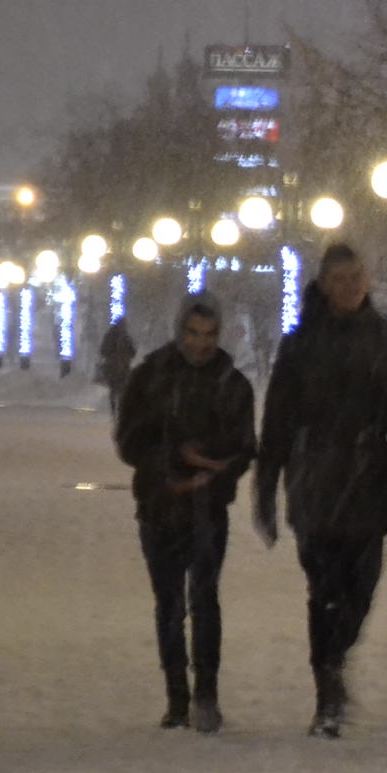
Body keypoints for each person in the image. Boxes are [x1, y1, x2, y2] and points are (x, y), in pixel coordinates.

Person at [254, 245, 387, 737]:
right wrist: (266, 488)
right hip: (315, 480)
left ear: (366, 280)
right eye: (339, 278)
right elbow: (278, 421)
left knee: (361, 589)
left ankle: (335, 654)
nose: (349, 286)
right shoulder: (302, 344)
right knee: (323, 589)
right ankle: (327, 690)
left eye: (356, 276)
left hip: (369, 479)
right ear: (324, 285)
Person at [116, 299, 256, 732]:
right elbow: (128, 442)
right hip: (159, 505)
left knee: (205, 600)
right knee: (170, 604)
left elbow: (244, 447)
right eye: (194, 334)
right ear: (180, 332)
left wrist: (212, 468)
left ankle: (207, 695)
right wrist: (172, 463)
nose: (201, 344)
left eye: (209, 335)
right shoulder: (150, 378)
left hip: (208, 508)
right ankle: (177, 697)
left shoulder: (231, 384)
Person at [96, 318, 137, 403]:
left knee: (113, 388)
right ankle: (121, 405)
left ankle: (114, 407)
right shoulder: (126, 337)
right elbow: (133, 352)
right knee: (123, 387)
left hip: (111, 366)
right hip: (124, 366)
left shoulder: (109, 335)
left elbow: (102, 350)